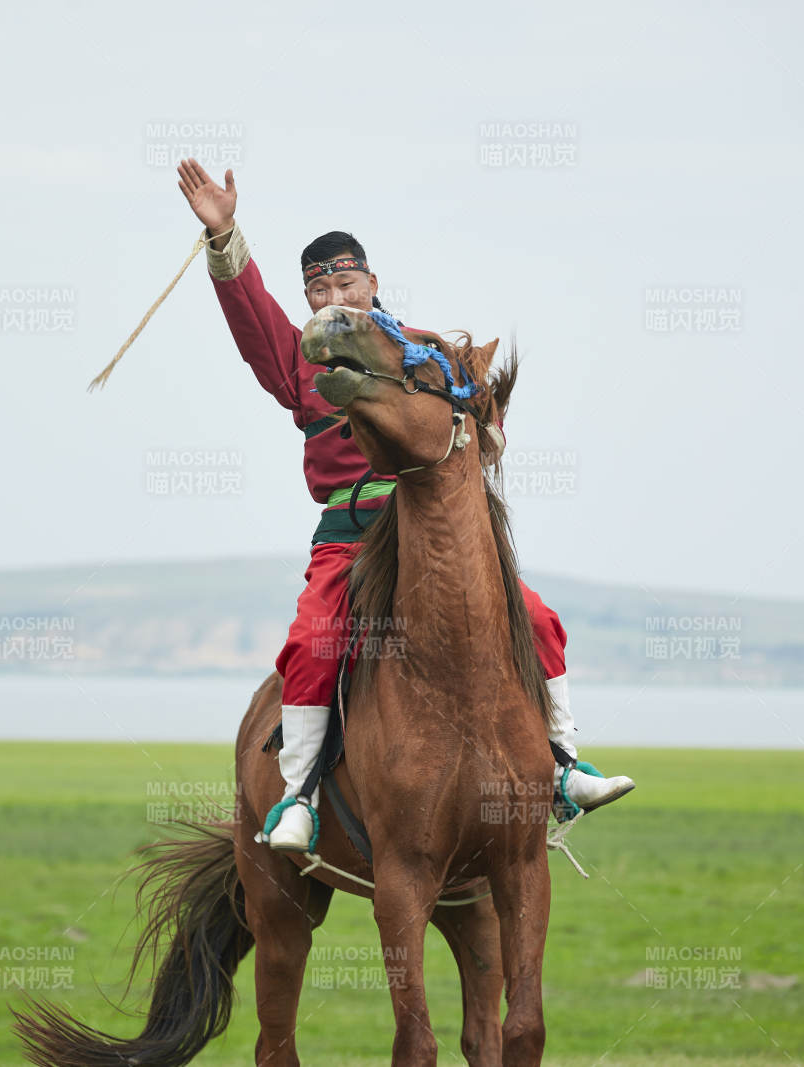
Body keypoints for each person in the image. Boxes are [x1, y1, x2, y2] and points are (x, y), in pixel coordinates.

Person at [176, 159, 634, 851]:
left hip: (427, 531)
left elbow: (481, 420)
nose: (334, 295)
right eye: (319, 288)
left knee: (536, 616)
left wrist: (488, 432)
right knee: (309, 644)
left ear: (373, 283)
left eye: (345, 281)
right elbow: (251, 319)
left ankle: (564, 765)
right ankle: (298, 797)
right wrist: (225, 235)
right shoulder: (301, 361)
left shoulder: (419, 353)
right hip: (348, 540)